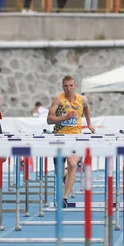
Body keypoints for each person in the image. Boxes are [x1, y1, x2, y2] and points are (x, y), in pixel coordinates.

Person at [47, 76, 95, 208]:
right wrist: (64, 117)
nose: (68, 88)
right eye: (65, 86)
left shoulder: (82, 99)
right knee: (59, 173)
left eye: (71, 85)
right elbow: (49, 120)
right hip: (60, 137)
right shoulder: (58, 99)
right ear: (62, 87)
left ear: (75, 85)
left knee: (73, 163)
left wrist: (89, 123)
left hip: (76, 137)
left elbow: (86, 108)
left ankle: (64, 197)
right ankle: (66, 175)